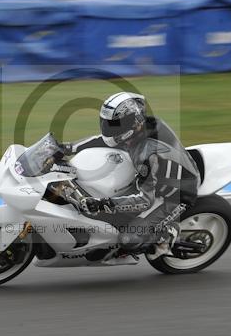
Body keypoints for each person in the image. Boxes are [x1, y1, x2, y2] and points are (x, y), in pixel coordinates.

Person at [56, 92, 200, 259]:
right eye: (106, 123)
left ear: (134, 123)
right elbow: (99, 140)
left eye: (115, 125)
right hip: (153, 178)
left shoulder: (147, 154)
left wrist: (103, 204)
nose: (108, 128)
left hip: (176, 194)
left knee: (128, 239)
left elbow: (145, 200)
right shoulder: (138, 130)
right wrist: (64, 148)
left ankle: (167, 235)